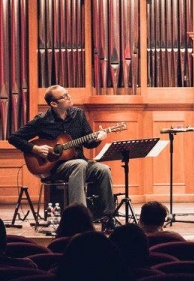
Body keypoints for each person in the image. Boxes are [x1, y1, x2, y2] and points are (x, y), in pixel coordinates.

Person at [8, 85, 116, 230]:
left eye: (68, 93)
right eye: (64, 96)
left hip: (79, 162)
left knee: (103, 169)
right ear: (54, 103)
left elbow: (89, 143)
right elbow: (14, 138)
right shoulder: (42, 120)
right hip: (55, 167)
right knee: (79, 165)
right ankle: (80, 220)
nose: (69, 97)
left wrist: (98, 138)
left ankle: (107, 217)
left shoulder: (78, 114)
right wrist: (35, 149)